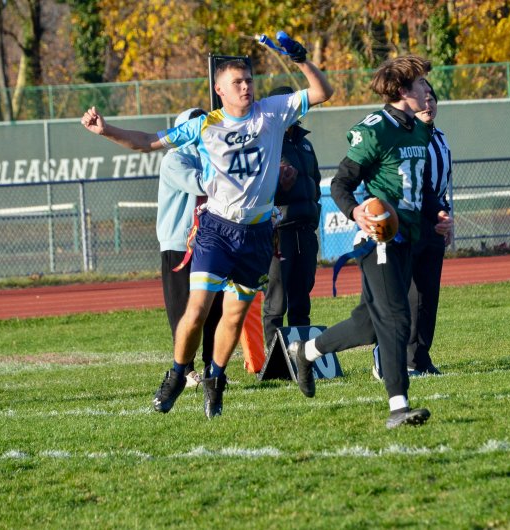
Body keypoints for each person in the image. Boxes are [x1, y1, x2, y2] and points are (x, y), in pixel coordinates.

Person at [81, 36, 333, 419]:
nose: (246, 87)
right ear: (220, 91)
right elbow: (147, 141)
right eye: (237, 82)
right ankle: (177, 373)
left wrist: (300, 59)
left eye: (249, 80)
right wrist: (106, 130)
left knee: (233, 315)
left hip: (257, 233)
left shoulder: (271, 112)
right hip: (217, 230)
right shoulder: (204, 126)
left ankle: (215, 378)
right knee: (197, 309)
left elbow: (322, 92)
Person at [288, 55, 452, 429]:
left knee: (367, 324)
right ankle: (398, 406)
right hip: (380, 240)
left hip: (408, 238)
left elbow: (420, 188)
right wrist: (356, 211)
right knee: (396, 319)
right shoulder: (375, 130)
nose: (428, 91)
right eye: (421, 84)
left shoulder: (418, 130)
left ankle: (306, 352)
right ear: (403, 90)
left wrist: (438, 214)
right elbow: (341, 183)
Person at [372, 80, 452, 380]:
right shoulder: (407, 137)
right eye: (424, 98)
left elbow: (440, 185)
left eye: (432, 98)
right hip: (409, 220)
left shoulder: (440, 137)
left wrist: (445, 218)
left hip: (434, 220)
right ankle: (388, 354)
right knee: (405, 294)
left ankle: (420, 356)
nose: (428, 104)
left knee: (428, 294)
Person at [158, 108, 221, 387]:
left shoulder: (215, 155)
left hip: (212, 241)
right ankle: (185, 368)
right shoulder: (174, 159)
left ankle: (212, 365)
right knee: (182, 309)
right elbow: (199, 183)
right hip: (179, 244)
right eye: (195, 125)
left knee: (214, 306)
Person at [262, 85, 322, 350]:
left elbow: (314, 183)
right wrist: (279, 186)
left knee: (302, 299)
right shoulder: (266, 141)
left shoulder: (306, 143)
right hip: (280, 232)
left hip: (305, 231)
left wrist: (314, 214)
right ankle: (274, 359)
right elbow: (257, 188)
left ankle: (302, 357)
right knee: (276, 301)